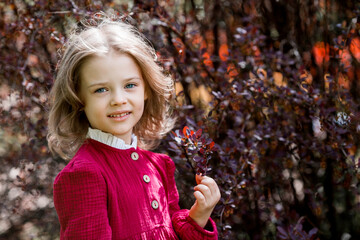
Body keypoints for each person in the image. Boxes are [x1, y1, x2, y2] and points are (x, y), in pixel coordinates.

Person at [47, 14, 221, 240]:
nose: (119, 99)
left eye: (130, 85)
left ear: (146, 89)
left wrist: (199, 215)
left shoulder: (158, 166)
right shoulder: (84, 174)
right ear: (78, 98)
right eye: (101, 89)